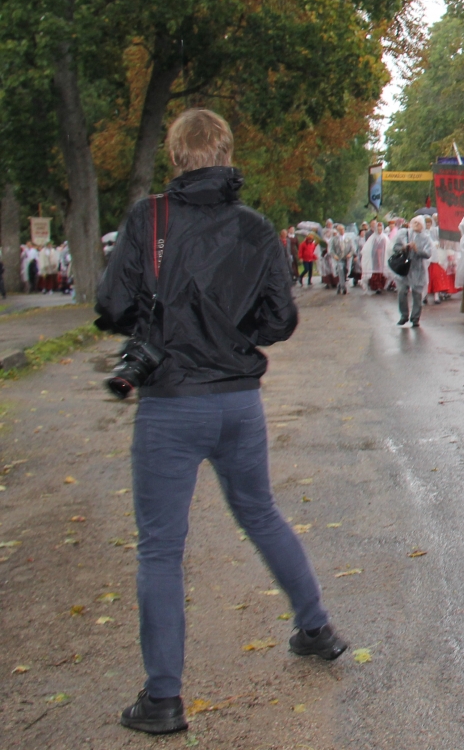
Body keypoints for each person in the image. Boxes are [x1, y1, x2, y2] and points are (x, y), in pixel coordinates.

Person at [95, 109, 345, 735]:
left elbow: (114, 304)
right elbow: (280, 320)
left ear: (177, 156)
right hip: (237, 402)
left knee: (160, 547)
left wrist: (166, 333)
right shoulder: (256, 229)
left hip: (171, 405)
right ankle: (315, 628)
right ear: (227, 153)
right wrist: (232, 341)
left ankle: (163, 698)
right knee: (260, 512)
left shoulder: (149, 220)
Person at [389, 216, 433, 327]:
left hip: (418, 269)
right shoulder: (404, 233)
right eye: (414, 222)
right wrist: (404, 247)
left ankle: (415, 318)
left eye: (419, 223)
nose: (416, 224)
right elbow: (395, 248)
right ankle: (404, 316)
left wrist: (417, 250)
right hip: (404, 268)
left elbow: (428, 254)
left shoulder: (426, 238)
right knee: (402, 292)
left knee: (417, 294)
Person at [326, 223, 354, 295]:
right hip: (339, 259)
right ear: (338, 231)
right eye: (340, 230)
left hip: (346, 258)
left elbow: (353, 248)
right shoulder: (334, 239)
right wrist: (334, 255)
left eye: (343, 229)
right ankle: (343, 287)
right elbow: (331, 249)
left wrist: (350, 254)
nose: (342, 231)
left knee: (345, 272)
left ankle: (339, 285)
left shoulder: (348, 239)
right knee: (341, 271)